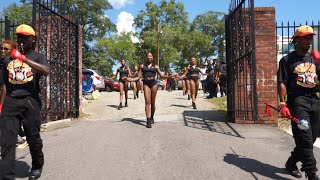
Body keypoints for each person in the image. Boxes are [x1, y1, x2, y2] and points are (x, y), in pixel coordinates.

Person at [0, 24, 50, 180]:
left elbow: (46, 71)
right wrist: (2, 105)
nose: (21, 40)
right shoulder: (7, 59)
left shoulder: (38, 57)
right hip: (11, 102)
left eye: (24, 38)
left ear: (32, 40)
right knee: (7, 141)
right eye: (19, 37)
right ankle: (7, 175)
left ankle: (37, 165)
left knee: (33, 137)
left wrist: (23, 59)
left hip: (30, 101)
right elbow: (4, 86)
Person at [278, 25, 320, 180]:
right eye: (305, 38)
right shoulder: (287, 60)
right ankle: (311, 173)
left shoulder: (313, 59)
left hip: (314, 101)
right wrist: (283, 103)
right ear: (297, 40)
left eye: (310, 38)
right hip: (298, 101)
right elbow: (282, 82)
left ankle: (291, 162)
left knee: (312, 137)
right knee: (305, 138)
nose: (309, 41)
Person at [125, 52, 171, 128]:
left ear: (152, 58)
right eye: (148, 56)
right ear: (146, 57)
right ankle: (148, 119)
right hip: (146, 83)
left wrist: (171, 76)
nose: (149, 57)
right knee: (147, 101)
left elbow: (161, 75)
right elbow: (138, 77)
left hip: (154, 83)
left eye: (150, 56)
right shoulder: (142, 66)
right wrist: (129, 80)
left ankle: (152, 116)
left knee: (153, 103)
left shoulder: (155, 66)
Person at [0, 40, 28, 149]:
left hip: (8, 96)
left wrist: (2, 104)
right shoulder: (2, 62)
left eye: (5, 49)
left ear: (12, 50)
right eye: (1, 48)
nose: (2, 51)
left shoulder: (15, 63)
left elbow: (5, 86)